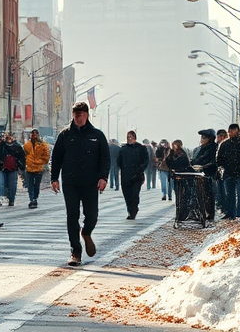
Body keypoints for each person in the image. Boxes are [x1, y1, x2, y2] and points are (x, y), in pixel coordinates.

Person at [50, 101, 110, 266]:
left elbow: (105, 158)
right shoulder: (65, 135)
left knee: (92, 215)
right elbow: (56, 158)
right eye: (76, 115)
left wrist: (103, 177)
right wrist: (54, 178)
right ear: (73, 115)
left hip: (91, 182)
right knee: (72, 216)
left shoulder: (97, 135)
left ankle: (87, 232)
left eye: (81, 115)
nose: (79, 118)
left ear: (87, 115)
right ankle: (75, 251)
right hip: (70, 182)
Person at [215, 123, 240, 219]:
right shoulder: (224, 144)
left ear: (237, 130)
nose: (230, 132)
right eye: (229, 130)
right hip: (228, 173)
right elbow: (218, 158)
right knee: (229, 195)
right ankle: (230, 213)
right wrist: (222, 167)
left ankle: (239, 214)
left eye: (232, 130)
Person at [117, 131, 148, 220]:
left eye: (130, 137)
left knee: (135, 194)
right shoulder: (123, 149)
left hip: (137, 176)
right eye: (128, 137)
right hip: (126, 175)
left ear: (134, 137)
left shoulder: (141, 148)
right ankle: (130, 211)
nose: (129, 138)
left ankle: (133, 211)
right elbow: (119, 161)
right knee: (127, 195)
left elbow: (145, 160)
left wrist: (139, 169)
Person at [190, 128, 219, 221]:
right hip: (198, 174)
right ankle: (198, 212)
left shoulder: (215, 148)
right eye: (201, 137)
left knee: (209, 195)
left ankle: (209, 214)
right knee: (197, 194)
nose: (202, 139)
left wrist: (203, 167)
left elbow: (214, 161)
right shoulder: (199, 149)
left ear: (210, 138)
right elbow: (195, 160)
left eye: (204, 137)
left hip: (209, 174)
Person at [0, 132, 26, 206]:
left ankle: (11, 199)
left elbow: (22, 157)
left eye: (10, 136)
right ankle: (0, 198)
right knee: (1, 184)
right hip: (2, 168)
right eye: (7, 136)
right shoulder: (0, 145)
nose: (9, 138)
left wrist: (21, 165)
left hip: (13, 168)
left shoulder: (17, 146)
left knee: (12, 185)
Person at [23, 128, 50, 209]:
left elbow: (46, 156)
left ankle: (35, 198)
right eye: (33, 134)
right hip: (29, 168)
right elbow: (24, 155)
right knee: (30, 185)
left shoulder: (43, 145)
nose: (34, 136)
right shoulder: (27, 145)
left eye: (36, 134)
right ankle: (32, 199)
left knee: (36, 185)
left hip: (38, 168)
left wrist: (41, 162)